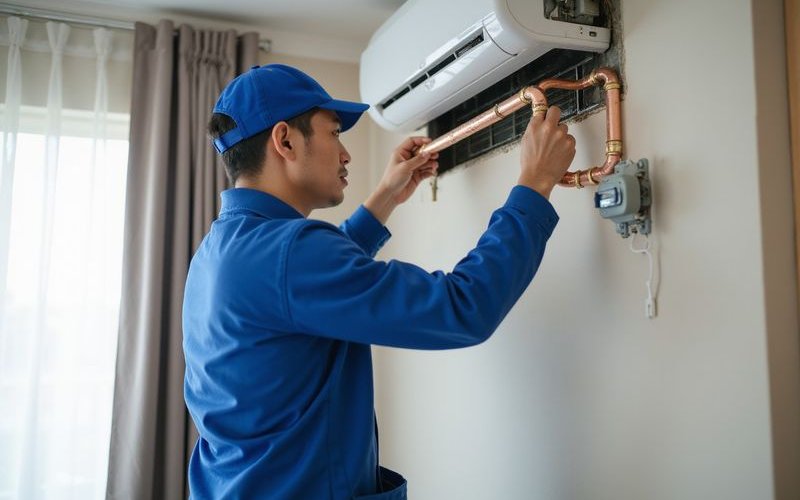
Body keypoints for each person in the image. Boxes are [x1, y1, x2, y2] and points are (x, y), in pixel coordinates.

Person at [182, 63, 575, 499]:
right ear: (285, 140)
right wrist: (534, 184)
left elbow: (306, 290)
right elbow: (463, 308)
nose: (345, 154)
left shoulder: (218, 252)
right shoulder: (290, 253)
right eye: (334, 133)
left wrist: (386, 194)